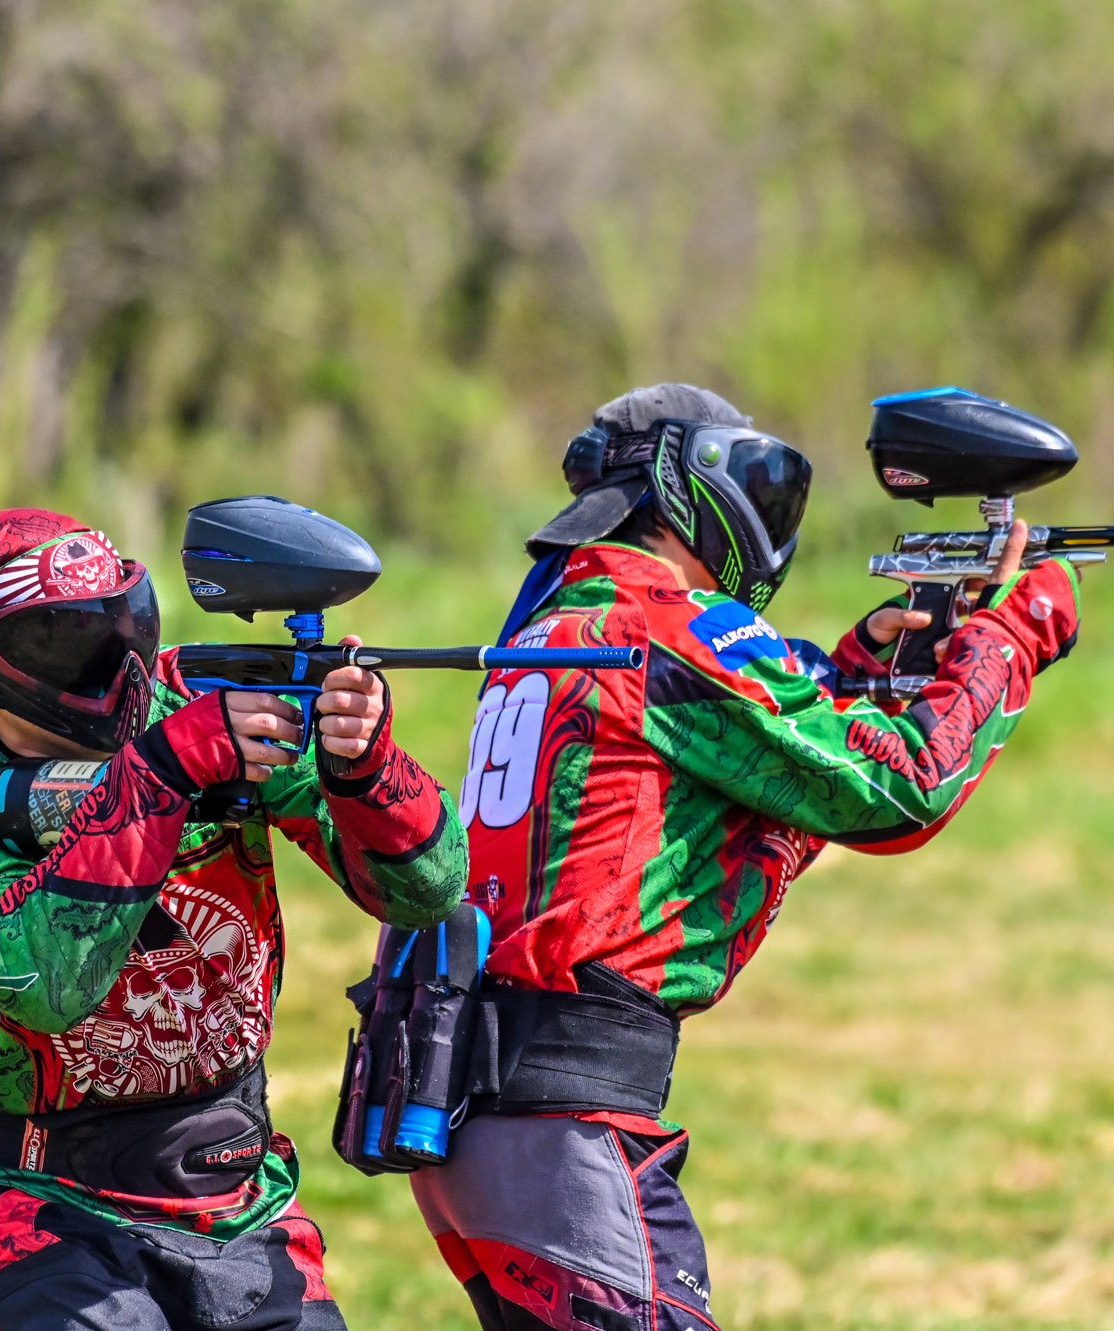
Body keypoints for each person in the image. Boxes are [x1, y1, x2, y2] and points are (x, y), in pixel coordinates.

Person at [407, 385, 1080, 1331]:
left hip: (484, 1128)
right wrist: (1010, 634)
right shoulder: (666, 627)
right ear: (689, 490)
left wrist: (855, 670)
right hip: (567, 1138)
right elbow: (902, 790)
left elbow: (714, 800)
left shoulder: (555, 627)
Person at [0, 508, 466, 1331]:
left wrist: (365, 768)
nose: (107, 667)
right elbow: (39, 979)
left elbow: (427, 892)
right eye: (66, 640)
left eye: (118, 626)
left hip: (233, 1199)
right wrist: (163, 775)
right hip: (27, 1202)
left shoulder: (199, 706)